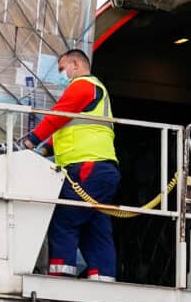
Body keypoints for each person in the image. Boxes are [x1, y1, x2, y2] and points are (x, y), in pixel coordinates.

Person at [19, 48, 120, 280]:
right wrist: (44, 150)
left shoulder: (83, 85)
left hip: (86, 168)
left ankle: (60, 281)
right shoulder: (96, 92)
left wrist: (30, 141)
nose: (61, 74)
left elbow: (58, 116)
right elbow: (69, 127)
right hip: (102, 170)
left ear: (76, 64)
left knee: (64, 219)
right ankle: (103, 284)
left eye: (62, 69)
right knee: (95, 227)